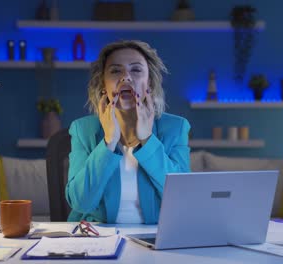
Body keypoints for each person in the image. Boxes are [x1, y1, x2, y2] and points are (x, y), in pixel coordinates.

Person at [66, 40, 191, 224]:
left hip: (155, 239)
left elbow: (183, 198)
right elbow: (80, 203)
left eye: (136, 70)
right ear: (103, 85)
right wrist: (108, 142)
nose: (126, 78)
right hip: (97, 238)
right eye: (116, 71)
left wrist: (147, 140)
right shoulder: (83, 130)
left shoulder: (176, 128)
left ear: (149, 83)